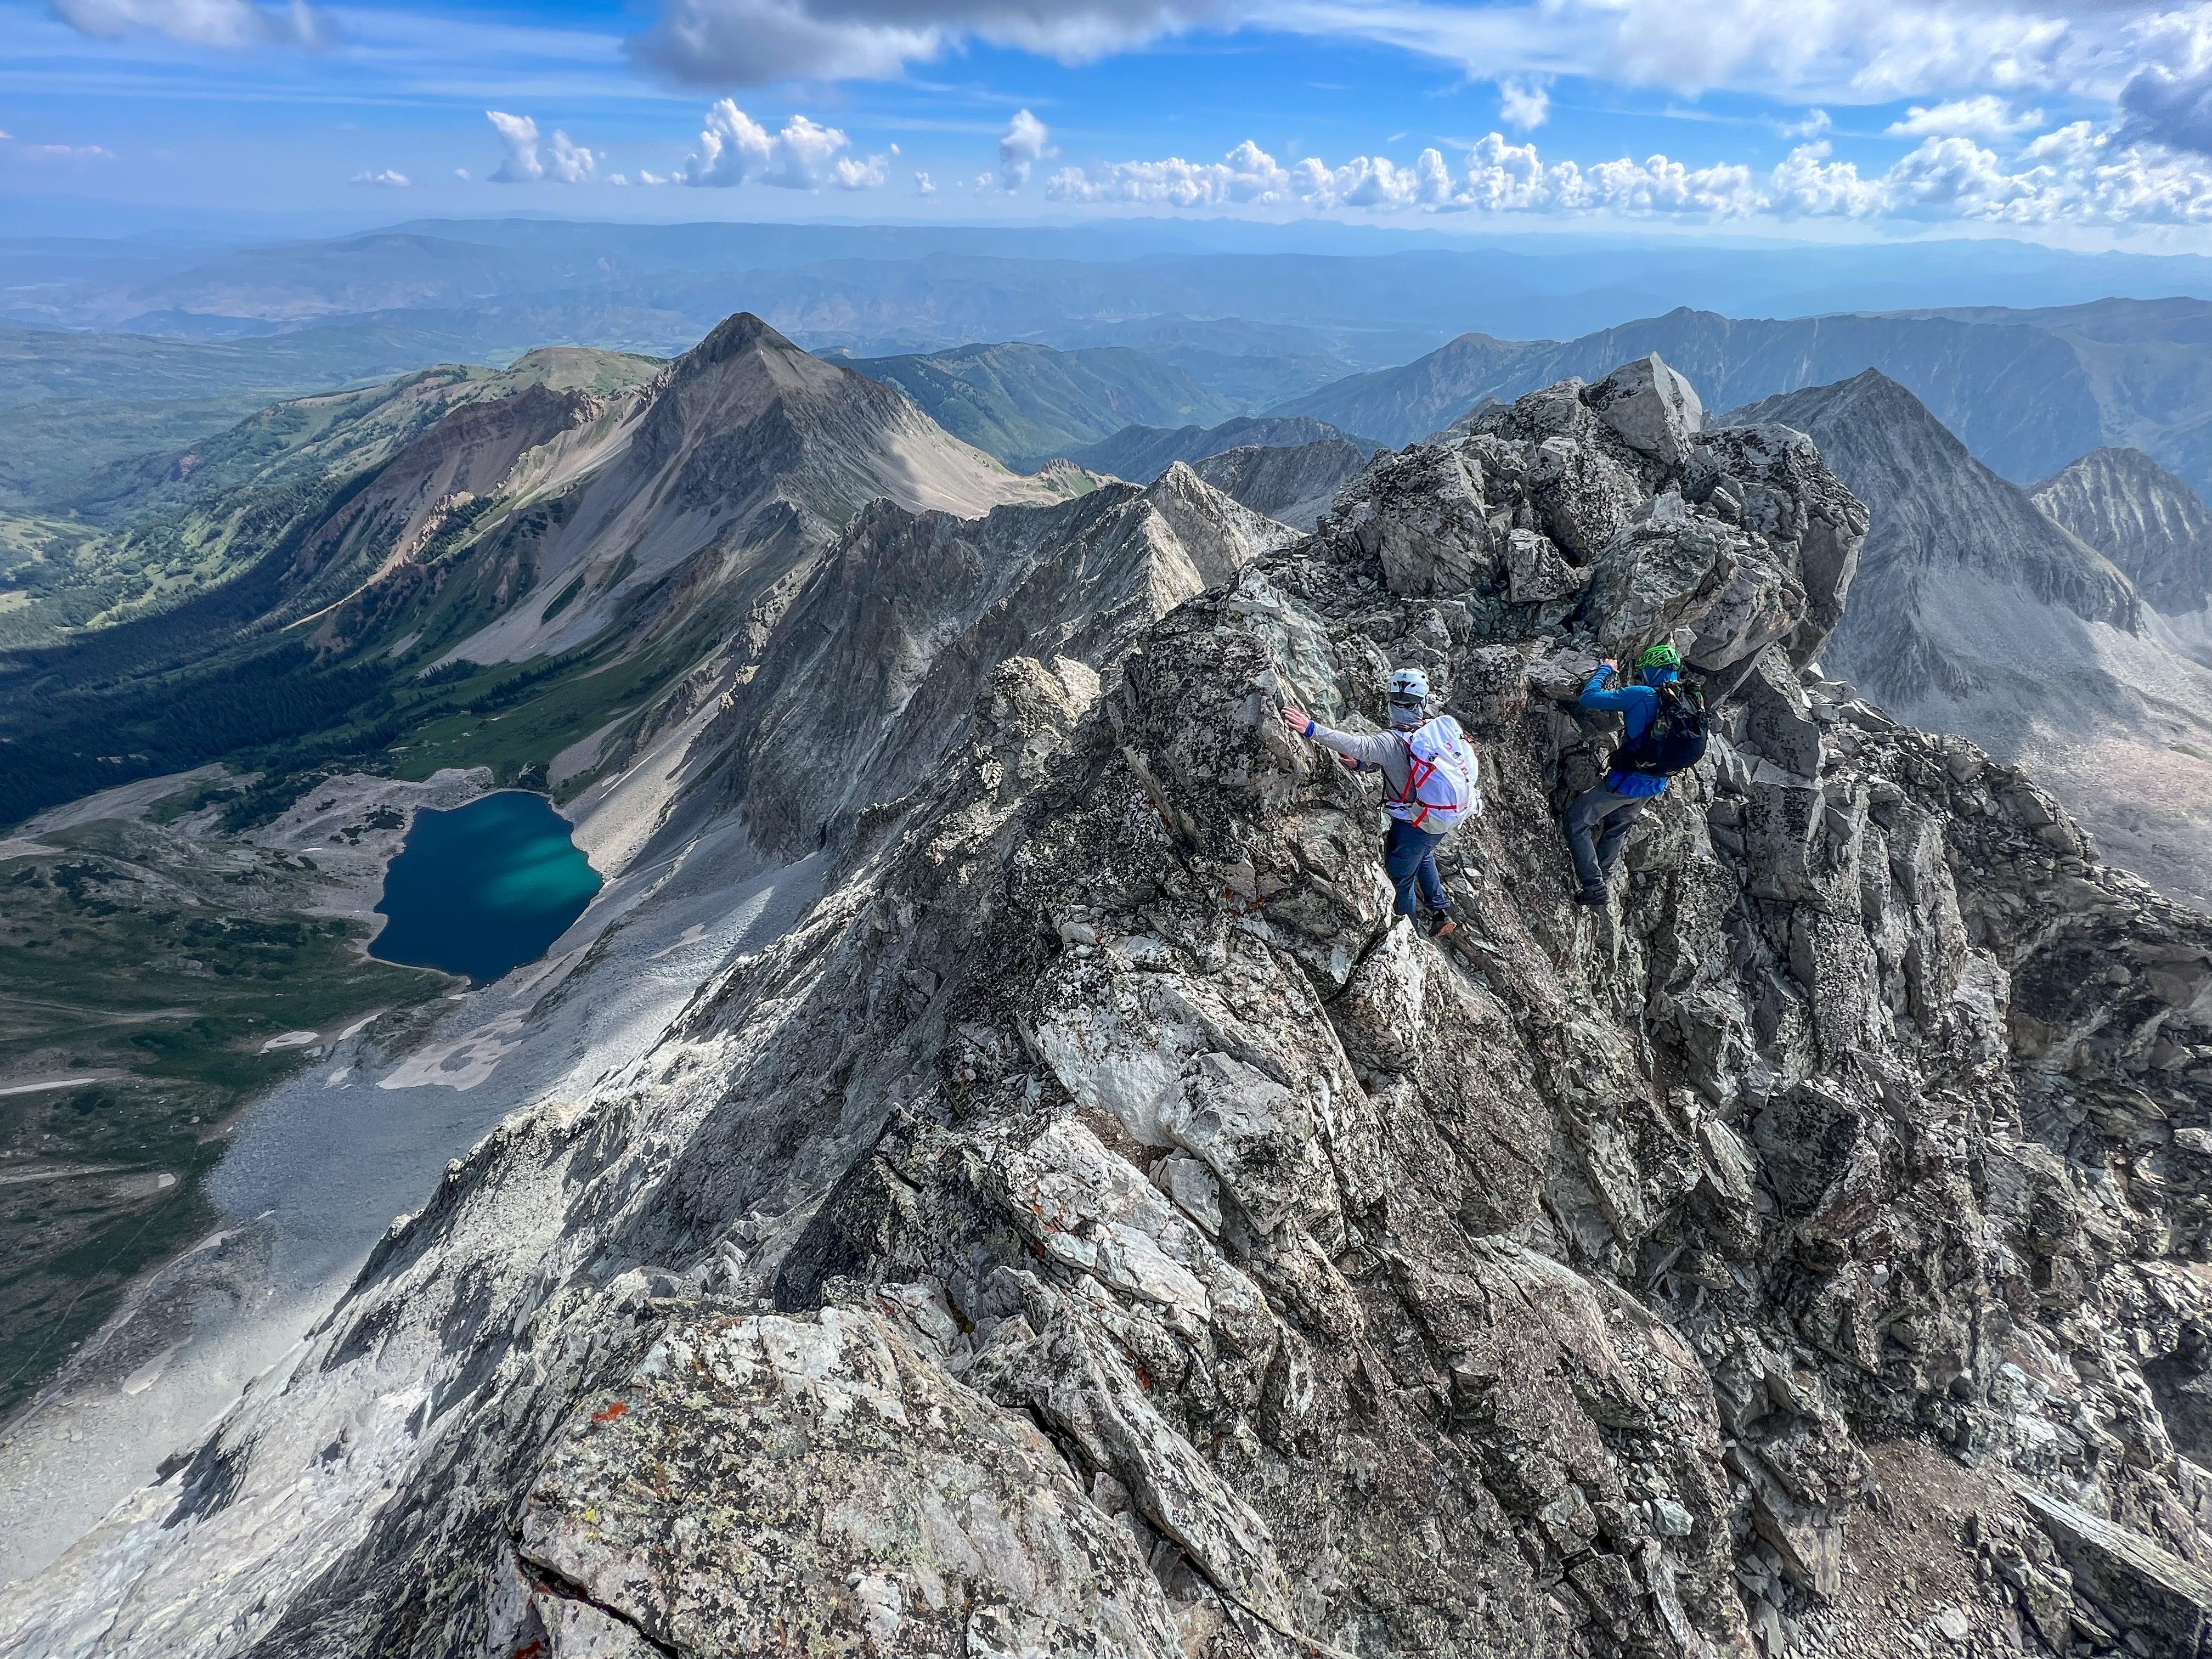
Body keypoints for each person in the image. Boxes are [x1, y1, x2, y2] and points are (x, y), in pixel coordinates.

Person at [1280, 667, 1479, 940]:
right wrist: (1363, 765)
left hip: (1413, 823)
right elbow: (1398, 764)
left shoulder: (1391, 740)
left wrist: (1311, 729)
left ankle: (1410, 936)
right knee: (1425, 855)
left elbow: (1356, 744)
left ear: (1389, 702)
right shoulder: (1431, 731)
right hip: (1441, 817)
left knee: (1402, 880)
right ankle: (1441, 911)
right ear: (1423, 702)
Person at [1564, 642, 1700, 906]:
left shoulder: (1642, 694)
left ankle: (1594, 885)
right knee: (1618, 826)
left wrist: (1605, 670)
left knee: (1577, 821)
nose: (1642, 676)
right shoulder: (1688, 699)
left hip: (1628, 781)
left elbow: (1589, 698)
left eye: (1644, 671)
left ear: (1652, 670)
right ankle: (1603, 876)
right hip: (1657, 780)